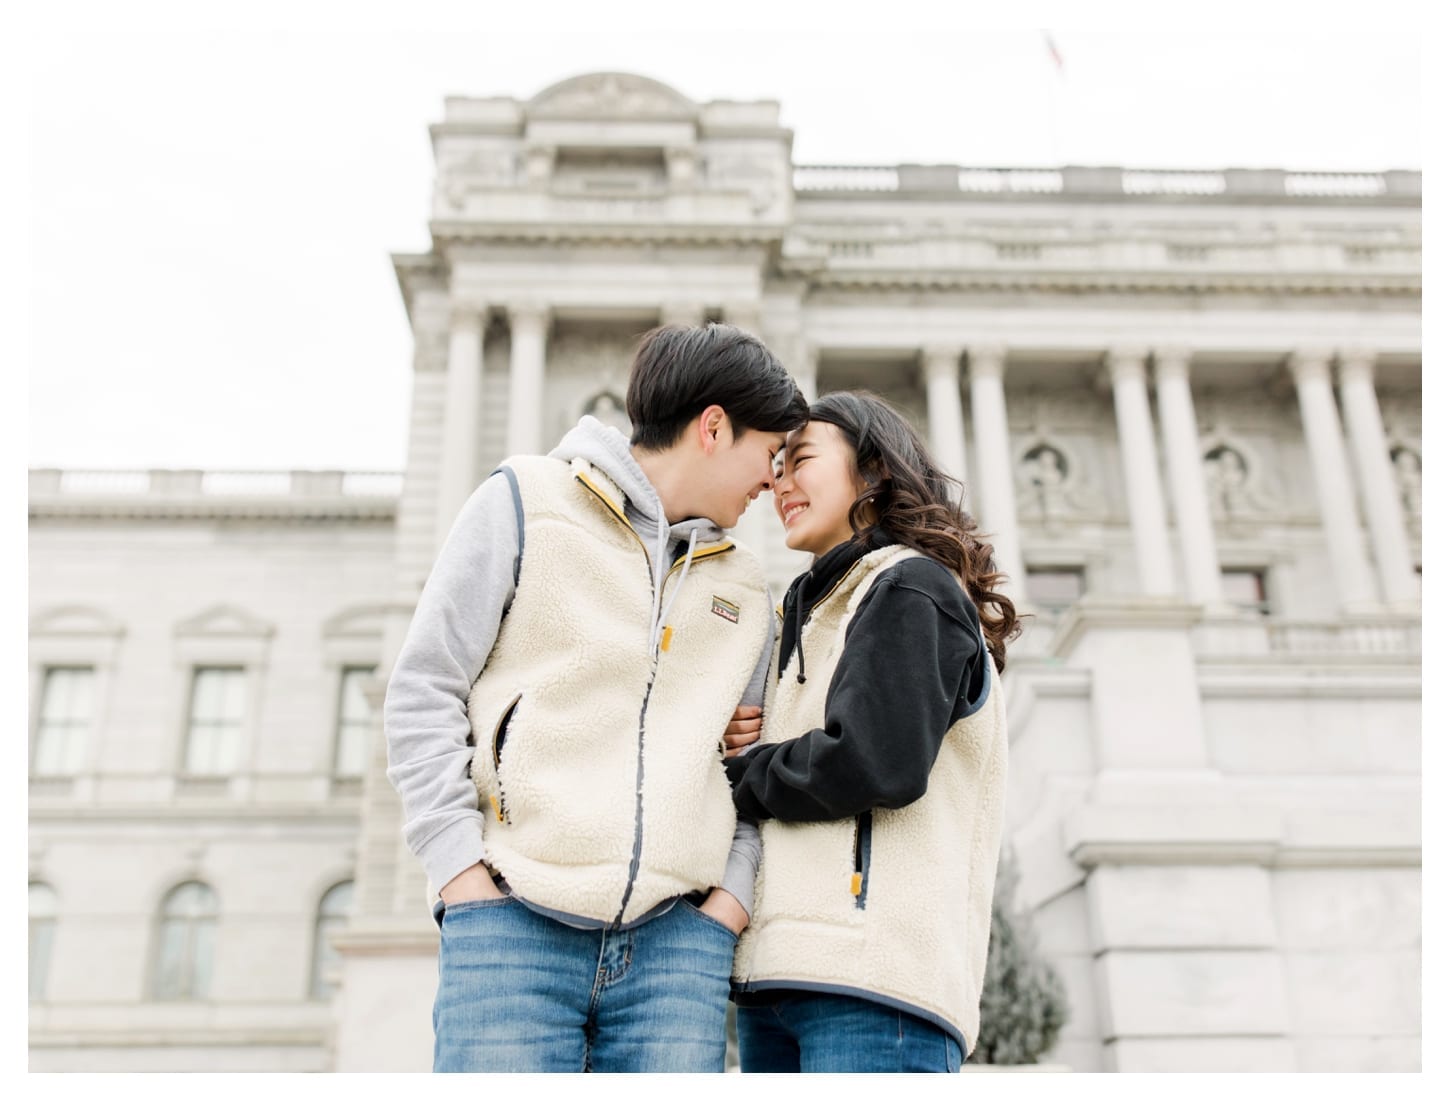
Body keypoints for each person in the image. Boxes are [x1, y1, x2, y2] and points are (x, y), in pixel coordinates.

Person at [384, 323, 808, 1073]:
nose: (774, 481)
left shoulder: (744, 585)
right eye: (768, 452)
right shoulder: (523, 500)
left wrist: (725, 910)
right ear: (713, 426)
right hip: (510, 927)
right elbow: (424, 687)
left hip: (677, 951)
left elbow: (751, 768)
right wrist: (462, 875)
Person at [722, 390, 1020, 1073]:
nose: (778, 482)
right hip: (781, 977)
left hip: (878, 983)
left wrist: (739, 774)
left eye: (800, 460)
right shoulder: (810, 603)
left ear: (875, 471)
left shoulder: (910, 586)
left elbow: (873, 760)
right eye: (775, 466)